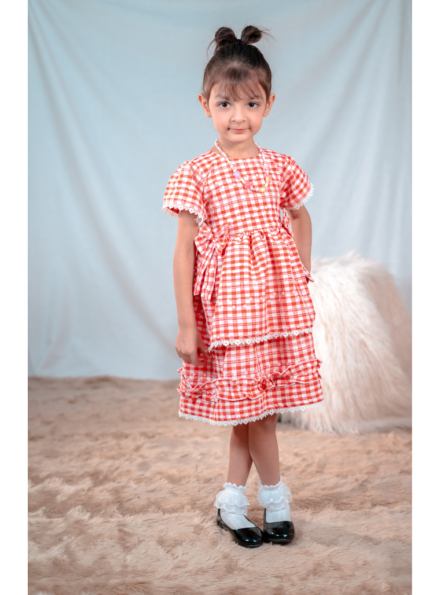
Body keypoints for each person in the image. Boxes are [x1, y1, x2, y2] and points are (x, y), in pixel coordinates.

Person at [162, 25, 323, 548]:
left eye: (251, 103)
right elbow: (184, 250)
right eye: (225, 103)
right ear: (205, 104)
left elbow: (300, 217)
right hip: (231, 317)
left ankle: (231, 502)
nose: (238, 116)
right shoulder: (197, 173)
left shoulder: (280, 167)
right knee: (257, 416)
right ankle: (275, 500)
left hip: (275, 312)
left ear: (269, 105)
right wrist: (186, 323)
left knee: (254, 414)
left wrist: (299, 270)